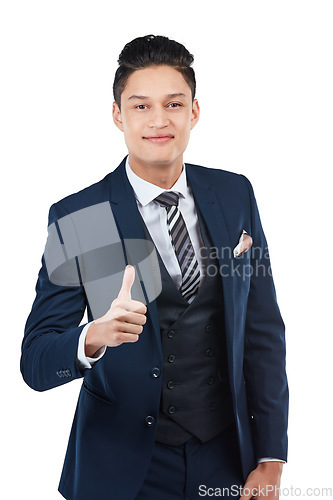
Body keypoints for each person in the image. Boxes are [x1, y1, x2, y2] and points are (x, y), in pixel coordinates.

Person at [21, 34, 288, 500]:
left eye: (174, 104)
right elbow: (36, 361)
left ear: (194, 112)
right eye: (141, 106)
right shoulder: (78, 219)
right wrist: (91, 337)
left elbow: (264, 332)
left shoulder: (235, 195)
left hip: (225, 457)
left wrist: (270, 457)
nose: (159, 121)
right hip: (120, 466)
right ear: (117, 115)